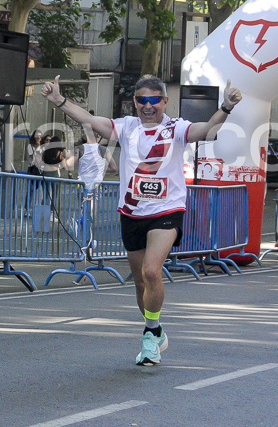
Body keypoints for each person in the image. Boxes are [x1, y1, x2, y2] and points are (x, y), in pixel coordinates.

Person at [41, 73, 241, 366]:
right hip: (132, 212)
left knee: (151, 272)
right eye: (142, 100)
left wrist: (225, 107)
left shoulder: (177, 127)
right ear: (134, 102)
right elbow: (89, 119)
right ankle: (155, 328)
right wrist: (58, 100)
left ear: (165, 101)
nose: (148, 106)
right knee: (139, 283)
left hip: (167, 210)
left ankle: (149, 336)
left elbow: (208, 130)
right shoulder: (126, 127)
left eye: (154, 100)